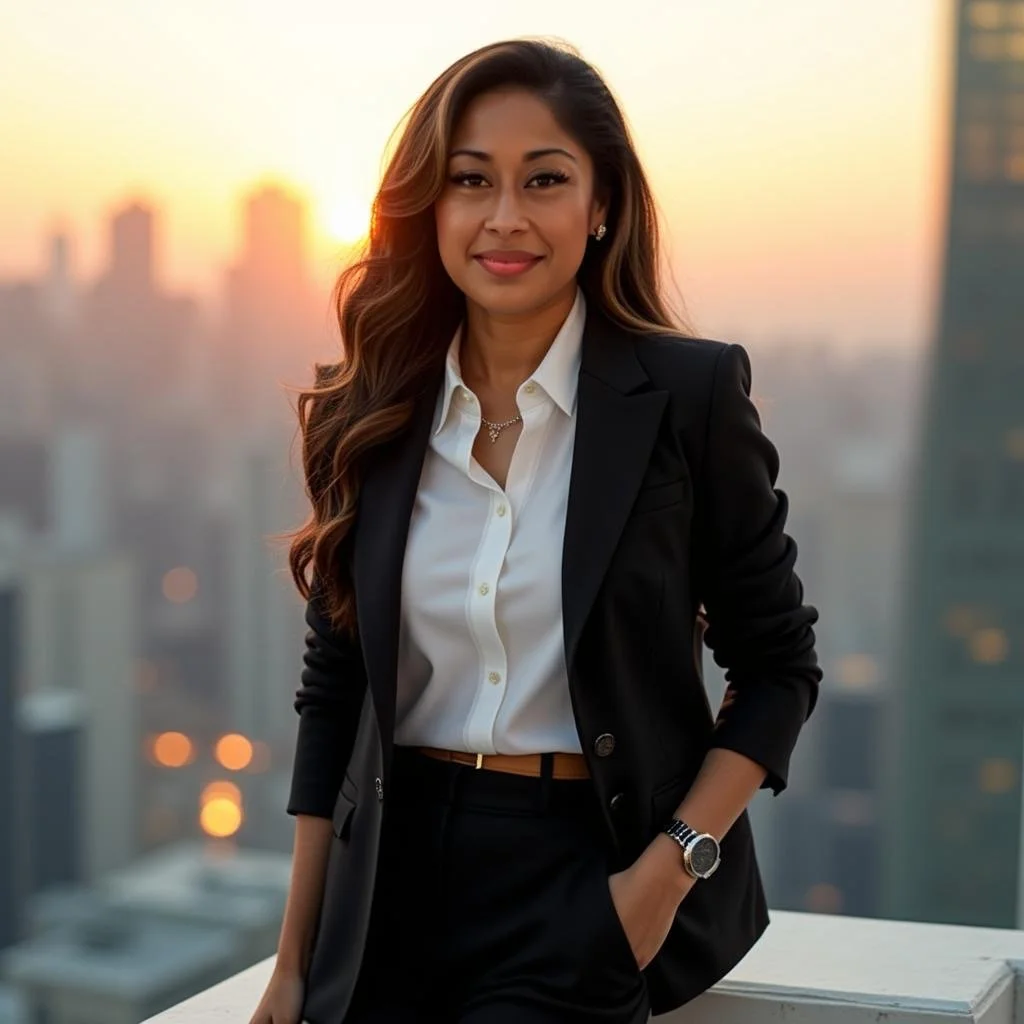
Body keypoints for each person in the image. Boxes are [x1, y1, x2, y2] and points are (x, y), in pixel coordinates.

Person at [250, 37, 822, 1024]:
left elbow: (777, 666)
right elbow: (333, 695)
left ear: (600, 206)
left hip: (581, 868)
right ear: (430, 206)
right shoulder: (371, 411)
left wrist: (663, 874)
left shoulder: (685, 397)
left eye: (544, 180)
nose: (504, 217)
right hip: (387, 873)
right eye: (470, 181)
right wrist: (294, 960)